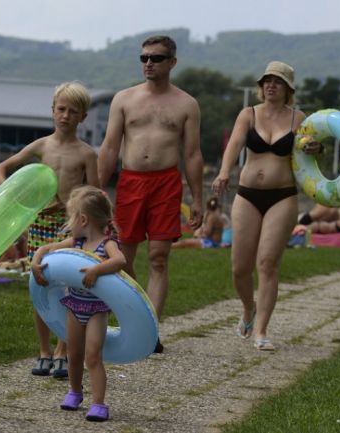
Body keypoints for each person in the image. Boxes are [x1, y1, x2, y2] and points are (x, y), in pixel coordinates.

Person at [97, 35, 204, 353]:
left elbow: (193, 154)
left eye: (155, 58)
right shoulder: (124, 99)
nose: (148, 64)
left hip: (166, 183)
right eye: (143, 58)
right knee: (122, 258)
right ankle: (135, 315)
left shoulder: (186, 104)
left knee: (158, 258)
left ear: (172, 62)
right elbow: (110, 147)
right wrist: (98, 188)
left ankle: (150, 330)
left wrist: (197, 197)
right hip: (130, 182)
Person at [211, 61, 321, 351]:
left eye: (278, 81)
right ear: (261, 87)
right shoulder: (248, 114)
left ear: (288, 88)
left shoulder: (299, 118)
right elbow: (234, 145)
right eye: (267, 81)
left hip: (282, 195)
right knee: (239, 268)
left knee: (268, 264)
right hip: (247, 194)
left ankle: (261, 331)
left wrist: (315, 147)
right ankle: (249, 308)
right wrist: (224, 172)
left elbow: (312, 145)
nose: (271, 85)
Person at [0, 81, 99, 378]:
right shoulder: (42, 146)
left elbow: (95, 194)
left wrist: (70, 206)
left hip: (68, 227)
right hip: (39, 225)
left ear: (83, 117)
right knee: (39, 286)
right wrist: (15, 198)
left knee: (66, 287)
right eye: (61, 109)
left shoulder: (87, 154)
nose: (65, 116)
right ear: (52, 111)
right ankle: (43, 350)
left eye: (73, 111)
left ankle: (62, 351)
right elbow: (2, 168)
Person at [31, 186, 126, 422]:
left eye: (70, 218)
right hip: (74, 305)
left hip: (96, 310)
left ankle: (99, 403)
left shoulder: (107, 243)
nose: (67, 223)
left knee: (92, 356)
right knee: (73, 354)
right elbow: (45, 249)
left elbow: (120, 260)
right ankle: (74, 392)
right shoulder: (76, 242)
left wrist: (97, 269)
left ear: (83, 219)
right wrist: (35, 262)